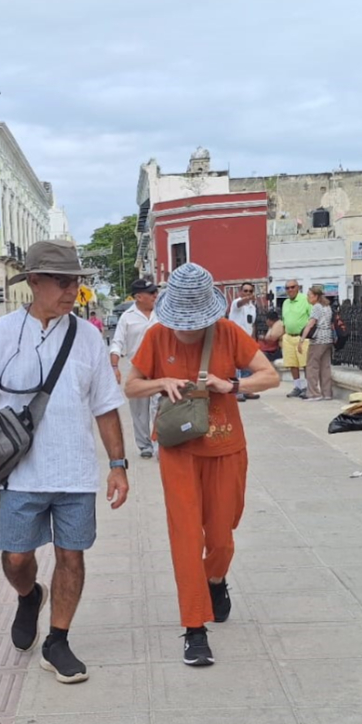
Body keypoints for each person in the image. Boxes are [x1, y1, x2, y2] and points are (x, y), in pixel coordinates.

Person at [0, 240, 128, 685]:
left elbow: (105, 405)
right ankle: (29, 596)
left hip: (76, 472)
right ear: (34, 282)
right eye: (62, 282)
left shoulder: (87, 337)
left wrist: (118, 463)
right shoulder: (2, 335)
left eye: (76, 284)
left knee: (72, 555)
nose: (71, 292)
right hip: (20, 474)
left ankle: (58, 640)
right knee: (16, 558)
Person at [125, 262, 280, 666]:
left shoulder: (228, 333)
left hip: (226, 447)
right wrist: (163, 382)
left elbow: (270, 376)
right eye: (182, 321)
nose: (187, 328)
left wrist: (232, 385)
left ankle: (215, 578)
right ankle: (195, 628)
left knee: (223, 534)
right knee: (186, 538)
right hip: (179, 450)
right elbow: (131, 384)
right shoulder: (157, 335)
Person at [109, 278, 160, 459]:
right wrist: (115, 366)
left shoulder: (161, 313)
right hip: (136, 370)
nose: (155, 295)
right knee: (139, 411)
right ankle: (144, 444)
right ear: (139, 297)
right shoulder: (127, 317)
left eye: (155, 292)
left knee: (159, 407)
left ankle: (158, 444)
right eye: (151, 293)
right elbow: (117, 343)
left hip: (160, 369)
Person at [227, 282, 261, 401]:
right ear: (240, 292)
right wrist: (246, 299)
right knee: (236, 368)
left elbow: (252, 324)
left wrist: (253, 340)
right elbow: (241, 302)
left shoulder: (252, 307)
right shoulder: (236, 303)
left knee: (247, 367)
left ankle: (247, 390)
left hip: (246, 340)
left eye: (250, 291)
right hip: (234, 339)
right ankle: (236, 392)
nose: (247, 293)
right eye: (245, 291)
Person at [303, 284, 335, 401]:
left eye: (309, 295)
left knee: (312, 366)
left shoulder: (316, 307)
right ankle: (327, 393)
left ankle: (314, 393)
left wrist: (302, 339)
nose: (307, 297)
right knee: (325, 367)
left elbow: (311, 323)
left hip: (318, 340)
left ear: (315, 296)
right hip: (328, 339)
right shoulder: (327, 307)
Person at [280, 279, 311, 397]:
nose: (290, 290)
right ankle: (298, 386)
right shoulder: (285, 303)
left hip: (302, 337)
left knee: (305, 364)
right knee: (292, 363)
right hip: (288, 336)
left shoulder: (305, 299)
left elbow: (312, 318)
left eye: (292, 287)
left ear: (298, 287)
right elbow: (284, 321)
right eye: (287, 288)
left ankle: (309, 387)